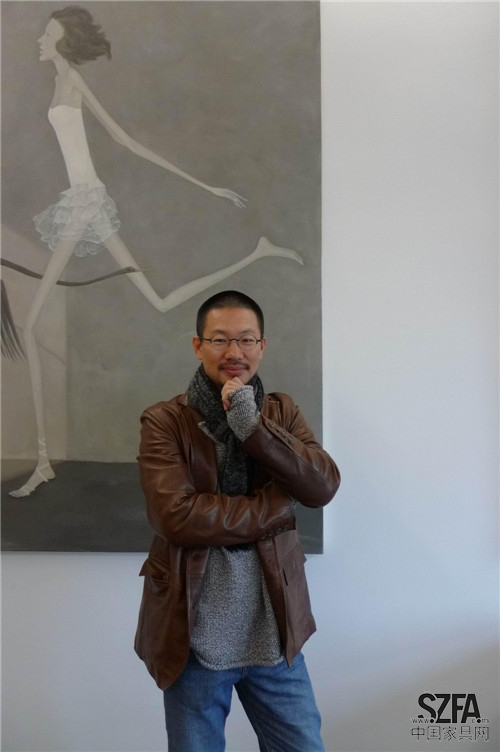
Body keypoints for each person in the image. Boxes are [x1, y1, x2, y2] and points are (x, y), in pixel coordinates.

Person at [9, 6, 302, 498]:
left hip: (86, 203)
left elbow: (127, 141)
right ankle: (257, 253)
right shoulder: (59, 82)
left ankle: (41, 461)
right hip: (82, 202)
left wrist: (204, 186)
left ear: (62, 42)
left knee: (32, 323)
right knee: (157, 301)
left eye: (48, 33)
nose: (40, 39)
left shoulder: (73, 81)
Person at [135, 290, 340, 751]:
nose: (234, 352)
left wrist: (253, 428)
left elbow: (322, 485)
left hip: (275, 632)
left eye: (246, 340)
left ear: (261, 346)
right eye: (220, 340)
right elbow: (177, 516)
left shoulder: (281, 412)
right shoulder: (165, 421)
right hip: (193, 635)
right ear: (198, 346)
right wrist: (274, 509)